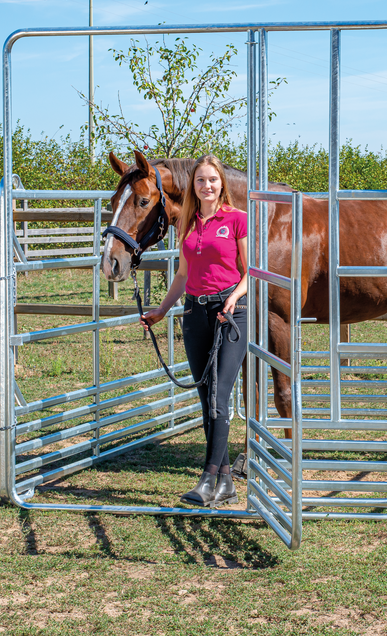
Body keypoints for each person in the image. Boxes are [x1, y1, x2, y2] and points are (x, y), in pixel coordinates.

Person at [140, 154, 248, 508]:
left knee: (219, 395)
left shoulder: (236, 220)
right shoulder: (188, 224)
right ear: (194, 187)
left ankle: (207, 479)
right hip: (194, 313)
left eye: (212, 180)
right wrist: (161, 310)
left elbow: (251, 273)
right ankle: (226, 483)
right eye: (201, 180)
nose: (207, 186)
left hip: (229, 314)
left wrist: (234, 298)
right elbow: (183, 275)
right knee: (206, 399)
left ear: (222, 185)